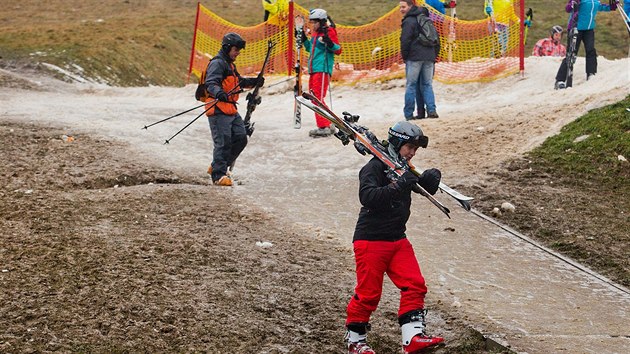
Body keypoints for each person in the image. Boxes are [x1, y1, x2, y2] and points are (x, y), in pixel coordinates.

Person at [344, 121, 444, 354]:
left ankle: (413, 338)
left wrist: (427, 182)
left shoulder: (402, 168)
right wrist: (400, 185)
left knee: (415, 285)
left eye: (415, 150)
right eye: (409, 147)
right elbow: (368, 197)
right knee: (369, 294)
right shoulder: (374, 168)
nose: (412, 153)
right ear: (398, 143)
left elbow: (412, 185)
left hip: (397, 239)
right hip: (370, 240)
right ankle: (355, 342)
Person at [202, 32, 264, 186]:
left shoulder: (230, 64)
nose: (237, 53)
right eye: (235, 50)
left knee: (241, 137)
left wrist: (254, 82)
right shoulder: (218, 63)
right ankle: (218, 176)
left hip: (230, 109)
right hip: (217, 108)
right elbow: (211, 83)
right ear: (227, 47)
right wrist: (219, 93)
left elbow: (239, 82)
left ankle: (218, 165)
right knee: (223, 142)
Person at [297, 8, 342, 138]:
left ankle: (324, 126)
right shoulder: (316, 34)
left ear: (321, 22)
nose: (312, 25)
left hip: (322, 69)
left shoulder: (328, 31)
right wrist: (304, 38)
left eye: (314, 22)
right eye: (311, 22)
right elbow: (309, 48)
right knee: (314, 96)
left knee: (316, 97)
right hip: (314, 68)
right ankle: (328, 122)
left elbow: (338, 49)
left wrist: (329, 42)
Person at [555, 0, 618, 89]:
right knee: (571, 53)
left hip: (589, 29)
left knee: (591, 50)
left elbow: (600, 7)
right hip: (576, 27)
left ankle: (591, 74)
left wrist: (612, 7)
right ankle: (560, 80)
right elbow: (568, 9)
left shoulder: (595, 1)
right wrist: (573, 4)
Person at [400, 1, 440, 120]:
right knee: (427, 85)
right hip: (429, 56)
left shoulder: (409, 21)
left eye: (403, 7)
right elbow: (437, 40)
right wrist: (434, 56)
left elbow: (405, 41)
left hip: (414, 57)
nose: (401, 9)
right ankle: (431, 111)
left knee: (411, 85)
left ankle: (408, 114)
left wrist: (405, 56)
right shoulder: (427, 19)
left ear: (410, 7)